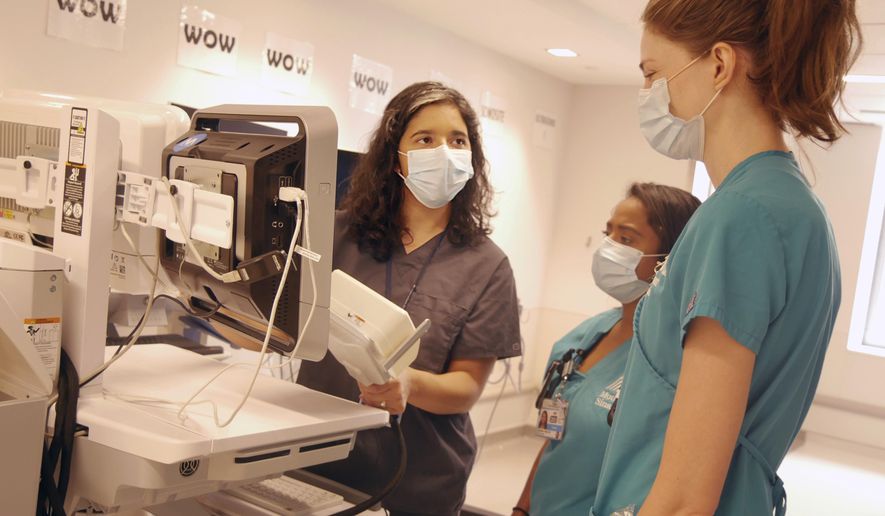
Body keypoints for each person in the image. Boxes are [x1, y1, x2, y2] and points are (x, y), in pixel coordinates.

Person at [590, 1, 859, 515]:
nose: (648, 95)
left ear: (718, 64)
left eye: (654, 74)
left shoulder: (742, 217)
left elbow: (684, 500)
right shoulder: (789, 206)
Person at [296, 81, 521, 516]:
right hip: (315, 463)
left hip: (417, 482)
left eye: (458, 140)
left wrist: (410, 383)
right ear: (393, 157)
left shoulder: (488, 265)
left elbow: (467, 386)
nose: (444, 151)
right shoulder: (335, 232)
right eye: (425, 138)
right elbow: (282, 321)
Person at [513, 184, 700, 516]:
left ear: (671, 257)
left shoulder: (677, 360)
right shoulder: (581, 339)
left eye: (626, 239)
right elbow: (554, 439)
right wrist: (522, 508)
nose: (608, 248)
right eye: (608, 233)